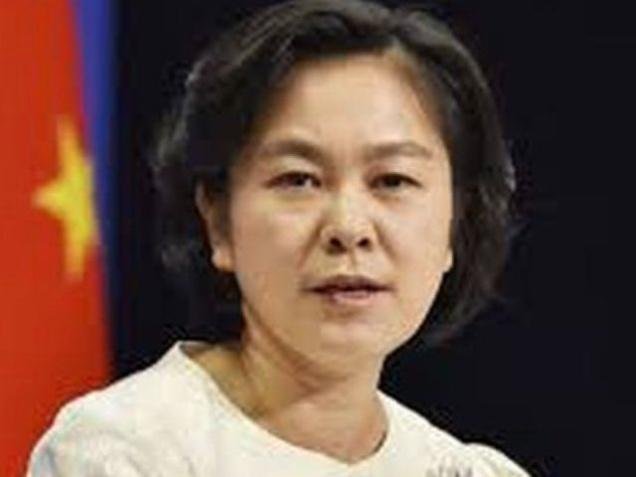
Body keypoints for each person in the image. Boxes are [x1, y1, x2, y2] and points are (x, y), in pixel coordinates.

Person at [27, 1, 529, 475]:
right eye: (299, 180)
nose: (349, 228)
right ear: (218, 221)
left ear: (456, 223)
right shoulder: (123, 452)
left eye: (392, 181)